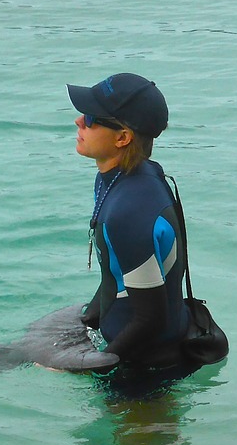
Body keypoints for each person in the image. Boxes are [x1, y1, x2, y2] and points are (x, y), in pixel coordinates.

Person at [68, 72, 195, 384]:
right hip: (131, 346)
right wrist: (87, 321)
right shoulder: (123, 178)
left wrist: (93, 363)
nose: (78, 122)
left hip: (145, 369)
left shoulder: (130, 211)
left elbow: (151, 320)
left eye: (91, 118)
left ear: (122, 137)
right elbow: (117, 273)